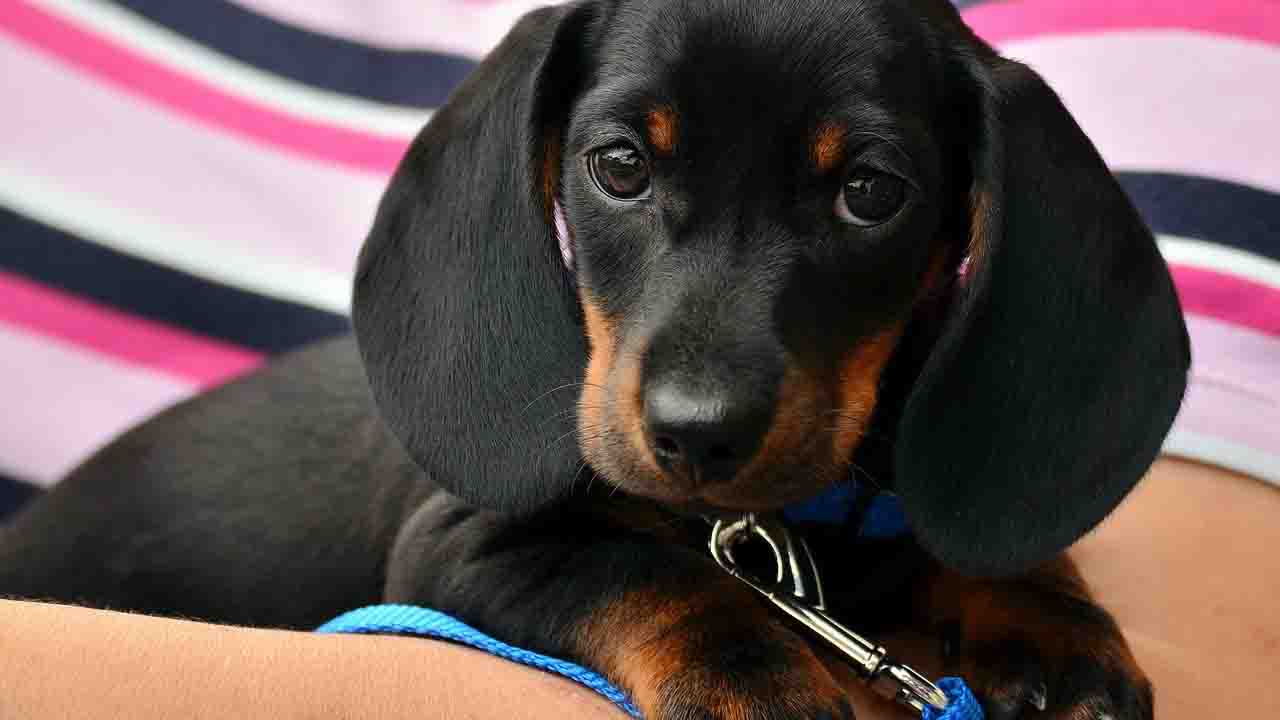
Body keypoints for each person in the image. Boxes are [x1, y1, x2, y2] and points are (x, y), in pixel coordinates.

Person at [4, 456, 1277, 719]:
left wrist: (1016, 576)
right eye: (629, 173)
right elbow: (470, 549)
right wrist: (694, 639)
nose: (700, 395)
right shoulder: (524, 418)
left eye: (862, 195)